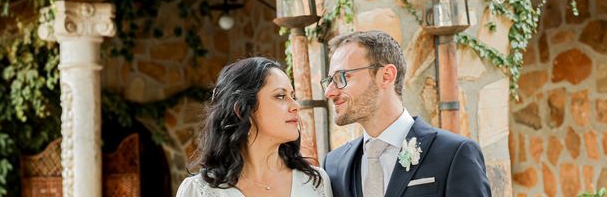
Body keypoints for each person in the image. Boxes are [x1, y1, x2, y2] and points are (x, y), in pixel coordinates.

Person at [322, 30, 491, 197]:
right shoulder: (334, 165)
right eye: (329, 81)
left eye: (341, 77)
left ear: (386, 76)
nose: (329, 92)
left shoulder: (454, 154)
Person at [176, 56, 333, 197]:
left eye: (293, 96)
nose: (296, 106)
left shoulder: (315, 183)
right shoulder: (198, 191)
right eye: (280, 96)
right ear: (242, 110)